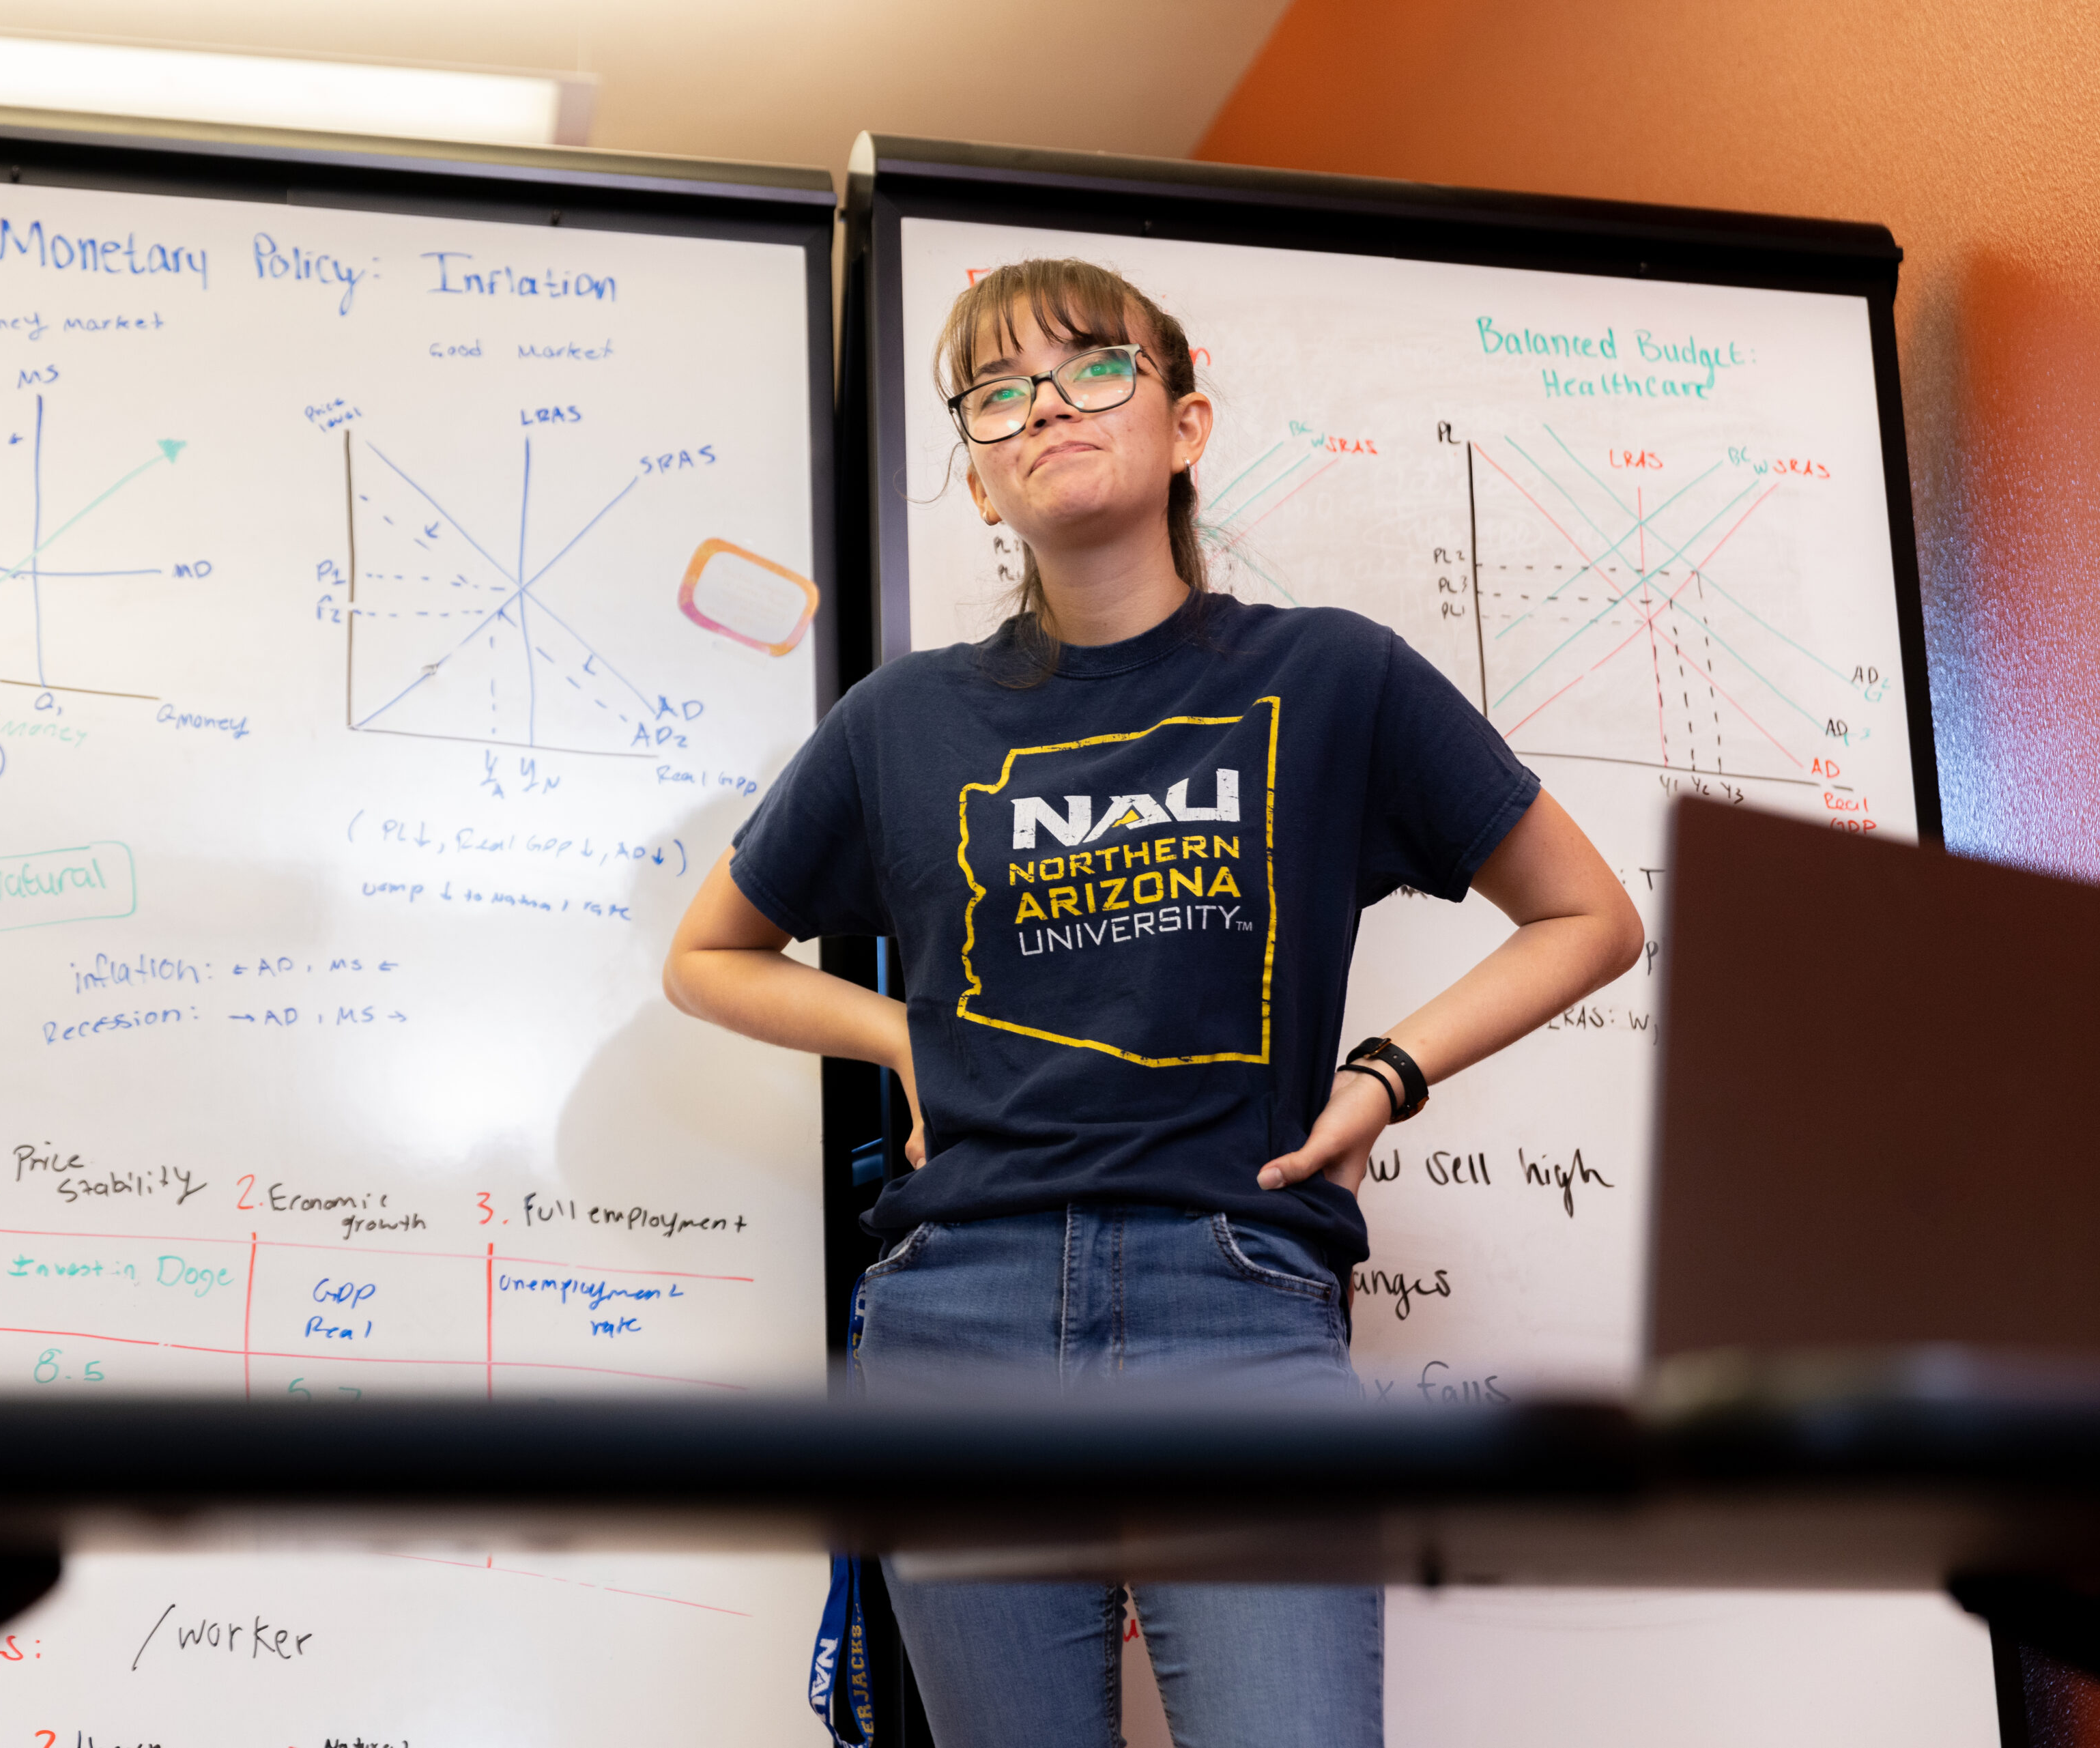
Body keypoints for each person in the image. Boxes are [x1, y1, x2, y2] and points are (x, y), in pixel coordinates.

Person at [663, 259, 1643, 1748]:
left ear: (1185, 423)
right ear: (982, 482)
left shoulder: (1333, 679)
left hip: (1235, 1301)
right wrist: (906, 1036)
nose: (1045, 404)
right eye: (998, 391)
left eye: (1090, 368)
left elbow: (1591, 916)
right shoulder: (901, 722)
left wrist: (1383, 1073)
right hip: (956, 1322)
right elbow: (708, 955)